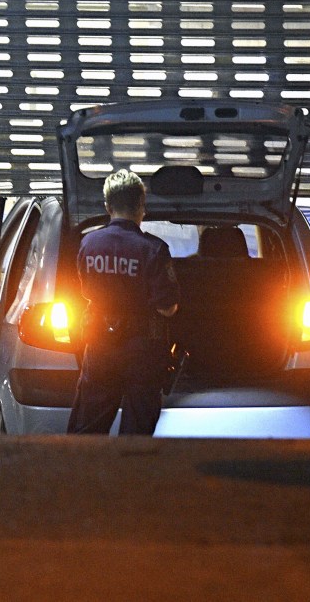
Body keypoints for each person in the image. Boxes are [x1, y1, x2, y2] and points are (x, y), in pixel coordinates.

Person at [67, 169, 181, 436]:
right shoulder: (154, 249)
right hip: (143, 352)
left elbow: (85, 291)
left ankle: (85, 478)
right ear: (141, 206)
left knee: (87, 432)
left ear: (108, 206)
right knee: (137, 438)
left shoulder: (89, 243)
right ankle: (129, 477)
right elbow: (168, 307)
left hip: (99, 347)